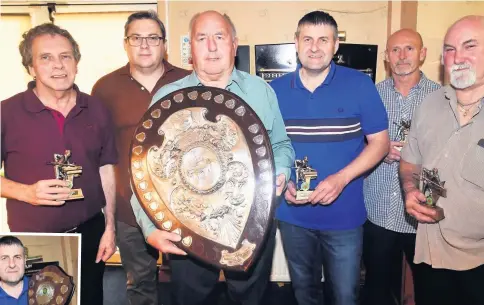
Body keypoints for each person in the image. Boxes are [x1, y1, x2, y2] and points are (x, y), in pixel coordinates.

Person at [130, 10, 295, 305]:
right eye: (201, 38)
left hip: (251, 223)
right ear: (189, 48)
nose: (211, 46)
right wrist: (150, 227)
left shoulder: (261, 91)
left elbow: (281, 144)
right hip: (185, 228)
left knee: (251, 299)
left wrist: (280, 172)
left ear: (234, 44)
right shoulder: (168, 98)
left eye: (219, 37)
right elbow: (142, 169)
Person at [270, 11, 389, 305]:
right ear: (295, 43)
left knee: (345, 295)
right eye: (307, 39)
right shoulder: (274, 91)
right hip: (292, 214)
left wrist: (341, 179)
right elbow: (266, 147)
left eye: (324, 40)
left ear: (336, 45)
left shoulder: (360, 85)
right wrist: (282, 180)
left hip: (344, 217)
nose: (315, 47)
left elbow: (380, 143)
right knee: (304, 292)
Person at [0, 23, 117, 305]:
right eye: (46, 58)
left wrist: (110, 226)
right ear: (30, 67)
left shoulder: (97, 108)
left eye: (66, 56)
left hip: (91, 231)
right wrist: (25, 192)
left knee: (91, 299)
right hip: (35, 239)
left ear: (76, 62)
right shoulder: (6, 113)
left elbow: (107, 168)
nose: (58, 66)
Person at [400, 15, 484, 305]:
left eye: (469, 45)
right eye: (450, 49)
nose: (457, 57)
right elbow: (410, 162)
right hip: (429, 255)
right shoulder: (429, 104)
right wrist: (411, 190)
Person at [92, 11, 189, 305]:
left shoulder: (188, 81)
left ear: (164, 44)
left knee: (188, 285)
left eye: (153, 38)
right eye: (137, 38)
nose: (145, 45)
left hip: (184, 208)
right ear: (126, 44)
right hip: (128, 211)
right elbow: (100, 155)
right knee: (140, 284)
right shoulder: (105, 89)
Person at [362, 29, 440, 305]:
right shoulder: (370, 95)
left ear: (423, 53)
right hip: (378, 210)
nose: (403, 56)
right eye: (395, 50)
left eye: (409, 49)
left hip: (423, 212)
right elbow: (355, 145)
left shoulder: (443, 98)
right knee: (376, 288)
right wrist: (378, 151)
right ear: (386, 57)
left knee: (431, 288)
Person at [0, 236, 29, 305]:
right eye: (4, 258)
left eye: (17, 257)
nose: (12, 265)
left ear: (25, 261)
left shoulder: (41, 287)